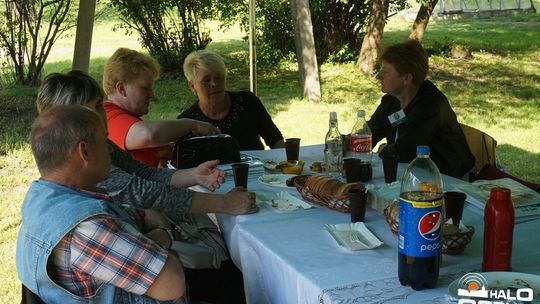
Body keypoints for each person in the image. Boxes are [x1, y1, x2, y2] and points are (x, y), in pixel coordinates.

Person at [36, 70, 256, 304]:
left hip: (135, 264)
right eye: (98, 106)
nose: (105, 115)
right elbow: (144, 194)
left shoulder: (44, 193)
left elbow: (143, 175)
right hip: (149, 275)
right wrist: (164, 234)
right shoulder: (87, 221)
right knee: (233, 278)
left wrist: (194, 176)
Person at [17, 105, 186, 303]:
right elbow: (173, 284)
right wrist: (163, 230)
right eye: (104, 140)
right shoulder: (87, 227)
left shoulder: (38, 198)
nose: (109, 149)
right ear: (85, 151)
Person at [367, 39, 475, 179]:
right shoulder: (391, 101)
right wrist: (342, 143)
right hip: (415, 173)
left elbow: (405, 151)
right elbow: (369, 134)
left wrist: (383, 149)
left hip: (451, 180)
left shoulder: (430, 105)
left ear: (406, 79)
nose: (378, 76)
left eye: (385, 72)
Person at [103, 47, 220, 168]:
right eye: (145, 88)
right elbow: (149, 134)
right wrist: (193, 125)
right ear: (121, 88)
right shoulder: (108, 116)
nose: (152, 95)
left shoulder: (127, 119)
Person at [178, 49, 285, 150]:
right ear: (192, 86)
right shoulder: (187, 123)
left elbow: (276, 141)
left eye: (218, 77)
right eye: (206, 80)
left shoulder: (248, 102)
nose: (214, 84)